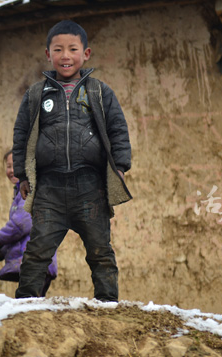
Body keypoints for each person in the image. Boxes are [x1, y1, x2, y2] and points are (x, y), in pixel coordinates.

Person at [12, 20, 132, 302]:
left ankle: (107, 304)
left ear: (86, 53)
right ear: (48, 54)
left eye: (73, 49)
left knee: (100, 249)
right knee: (37, 250)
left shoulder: (99, 92)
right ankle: (25, 303)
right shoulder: (36, 95)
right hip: (49, 189)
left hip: (90, 187)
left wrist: (120, 167)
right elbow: (20, 135)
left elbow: (118, 129)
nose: (66, 56)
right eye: (58, 50)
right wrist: (23, 175)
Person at [0, 149, 57, 295]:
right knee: (31, 303)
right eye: (9, 166)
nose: (12, 170)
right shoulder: (19, 193)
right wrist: (2, 252)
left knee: (28, 301)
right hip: (32, 262)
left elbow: (20, 226)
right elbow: (22, 237)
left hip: (36, 262)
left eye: (16, 165)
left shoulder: (31, 191)